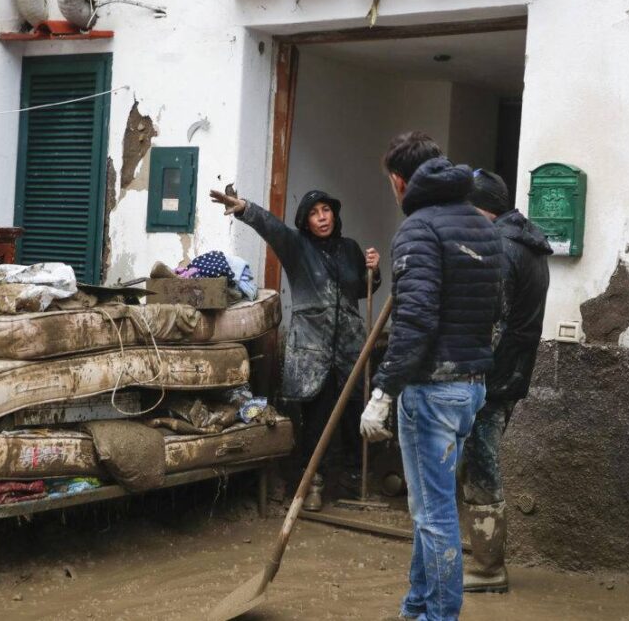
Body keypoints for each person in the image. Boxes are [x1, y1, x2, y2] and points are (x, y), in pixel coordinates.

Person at [360, 132, 502, 621]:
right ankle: (417, 607)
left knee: (434, 515)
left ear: (400, 181)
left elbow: (416, 320)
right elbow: (492, 307)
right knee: (431, 509)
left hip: (432, 391)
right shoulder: (483, 225)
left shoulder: (419, 228)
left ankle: (439, 616)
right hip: (470, 387)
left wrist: (384, 389)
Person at [210, 187, 380, 511]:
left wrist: (374, 270)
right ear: (305, 221)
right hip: (312, 349)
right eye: (314, 213)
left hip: (349, 346)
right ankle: (311, 484)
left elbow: (362, 288)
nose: (322, 217)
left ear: (334, 214)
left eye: (326, 210)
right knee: (316, 417)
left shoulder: (350, 249)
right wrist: (245, 207)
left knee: (354, 413)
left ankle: (353, 480)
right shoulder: (296, 247)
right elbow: (271, 227)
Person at [457, 169, 552, 593]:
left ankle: (488, 567)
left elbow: (493, 322)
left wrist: (468, 372)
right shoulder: (530, 246)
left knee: (482, 467)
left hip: (490, 379)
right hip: (513, 374)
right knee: (480, 463)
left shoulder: (500, 247)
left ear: (481, 209)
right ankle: (480, 552)